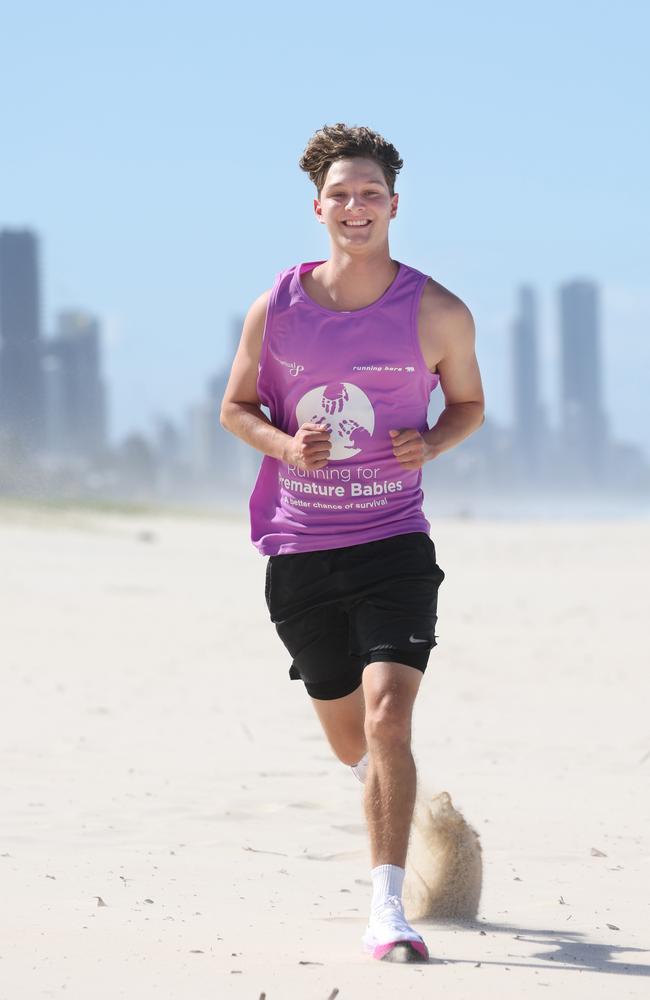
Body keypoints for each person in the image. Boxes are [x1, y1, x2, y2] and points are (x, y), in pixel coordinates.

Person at [220, 123, 485, 963]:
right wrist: (288, 447)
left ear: (395, 206)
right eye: (342, 193)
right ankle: (413, 813)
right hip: (300, 553)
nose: (356, 206)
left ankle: (387, 910)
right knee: (354, 745)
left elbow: (469, 406)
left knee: (388, 719)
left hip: (394, 543)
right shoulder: (279, 308)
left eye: (371, 193)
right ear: (318, 206)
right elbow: (236, 409)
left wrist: (432, 444)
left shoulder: (437, 310)